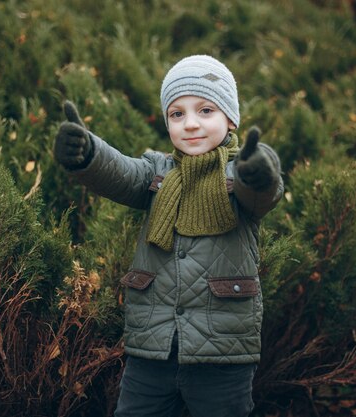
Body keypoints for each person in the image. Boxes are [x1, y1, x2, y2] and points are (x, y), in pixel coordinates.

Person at [54, 55, 283, 417]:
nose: (190, 124)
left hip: (222, 352)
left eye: (205, 110)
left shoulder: (240, 173)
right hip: (151, 347)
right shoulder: (156, 171)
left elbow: (262, 192)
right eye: (177, 114)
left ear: (231, 118)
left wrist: (259, 171)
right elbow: (119, 171)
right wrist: (88, 154)